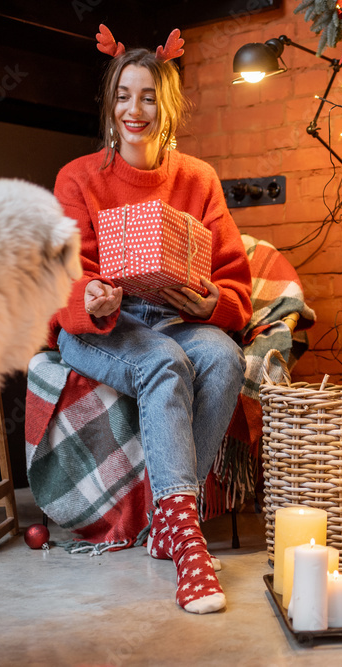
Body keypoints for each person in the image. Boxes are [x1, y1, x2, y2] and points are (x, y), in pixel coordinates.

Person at [48, 26, 252, 615]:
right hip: (101, 329)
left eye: (148, 98)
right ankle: (187, 543)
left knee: (223, 355)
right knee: (165, 362)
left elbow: (234, 280)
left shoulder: (199, 179)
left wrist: (209, 301)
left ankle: (167, 521)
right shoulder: (77, 177)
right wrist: (93, 300)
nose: (134, 110)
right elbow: (64, 275)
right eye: (123, 96)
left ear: (169, 108)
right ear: (110, 106)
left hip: (176, 314)